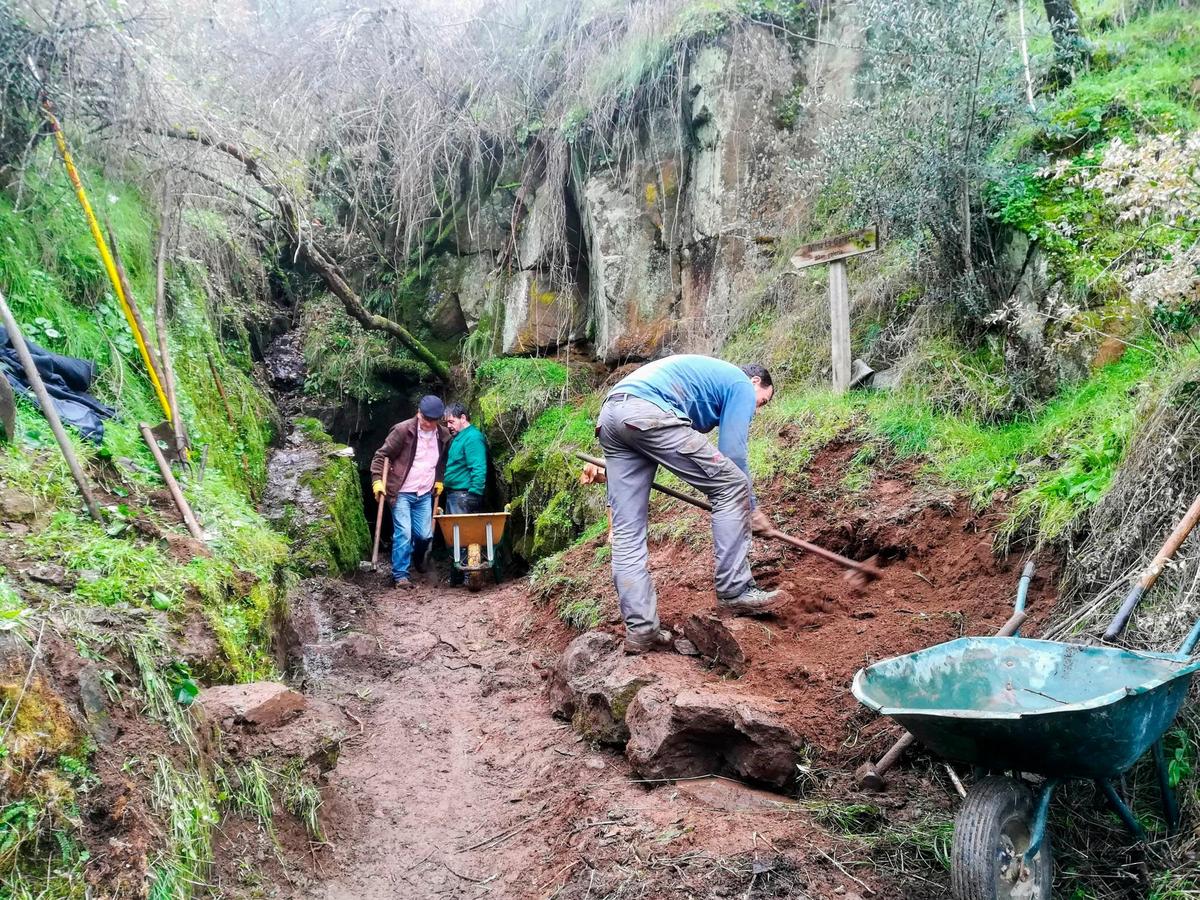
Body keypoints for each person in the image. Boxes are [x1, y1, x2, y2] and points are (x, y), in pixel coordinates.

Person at [597, 355, 779, 653]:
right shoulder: (741, 384)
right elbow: (733, 453)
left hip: (611, 415)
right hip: (645, 411)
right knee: (732, 485)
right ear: (756, 382)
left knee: (627, 532)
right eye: (763, 401)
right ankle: (736, 590)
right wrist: (751, 507)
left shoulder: (706, 379)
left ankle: (642, 630)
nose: (758, 408)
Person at [370, 395, 450, 590]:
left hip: (424, 493)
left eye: (432, 422)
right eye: (424, 419)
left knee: (424, 535)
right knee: (404, 533)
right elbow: (381, 456)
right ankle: (401, 575)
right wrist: (377, 481)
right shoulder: (402, 430)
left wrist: (439, 480)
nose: (427, 424)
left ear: (437, 420)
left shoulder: (443, 435)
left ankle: (416, 557)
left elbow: (441, 461)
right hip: (401, 492)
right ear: (419, 413)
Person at [442, 403, 488, 515]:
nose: (448, 426)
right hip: (455, 496)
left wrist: (474, 496)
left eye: (451, 422)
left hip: (464, 496)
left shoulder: (473, 437)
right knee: (454, 532)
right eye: (446, 423)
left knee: (460, 532)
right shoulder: (458, 437)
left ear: (463, 418)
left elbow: (478, 466)